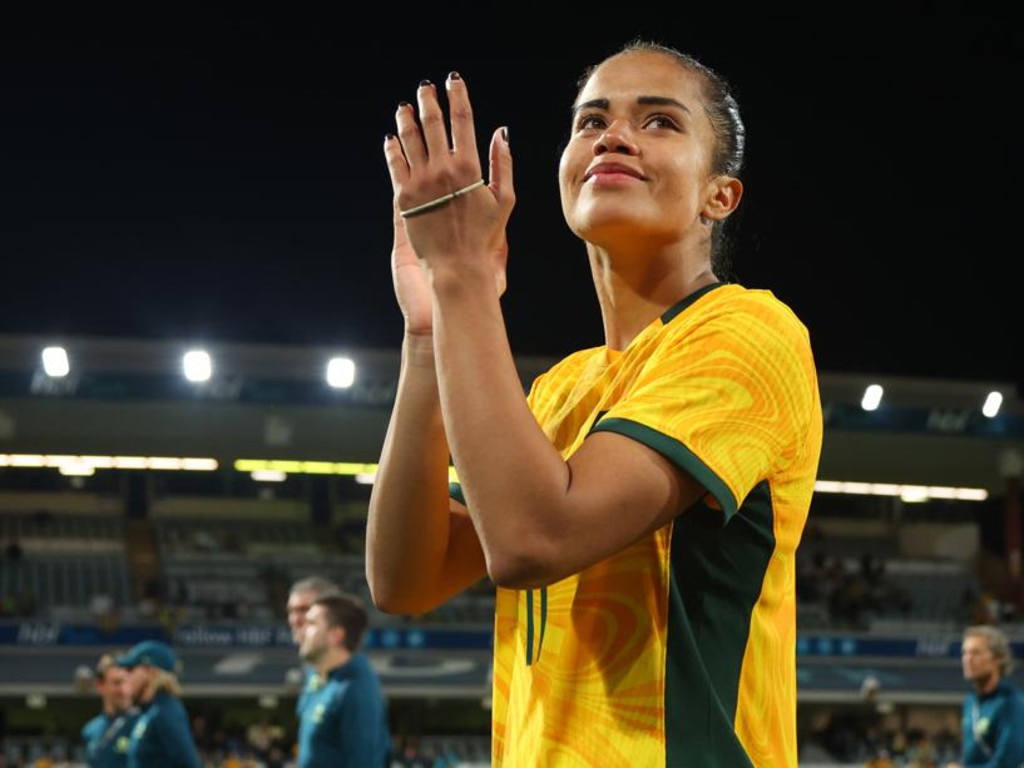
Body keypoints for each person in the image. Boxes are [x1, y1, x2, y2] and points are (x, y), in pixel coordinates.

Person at [366, 38, 823, 767]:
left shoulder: (749, 334)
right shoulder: (561, 388)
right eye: (591, 121)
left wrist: (461, 280)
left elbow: (532, 540)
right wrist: (429, 330)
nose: (613, 135)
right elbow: (403, 579)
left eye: (661, 122)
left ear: (720, 194)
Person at [294, 591, 392, 767]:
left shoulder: (357, 689)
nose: (301, 629)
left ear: (336, 635)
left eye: (311, 623)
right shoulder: (316, 678)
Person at [114, 639, 202, 768]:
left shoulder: (166, 712)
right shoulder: (149, 712)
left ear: (151, 671)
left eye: (131, 669)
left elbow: (189, 763)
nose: (127, 676)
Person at [948, 624, 1024, 768]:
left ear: (998, 658)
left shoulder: (1012, 703)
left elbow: (1008, 765)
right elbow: (971, 756)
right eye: (965, 653)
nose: (967, 659)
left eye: (976, 653)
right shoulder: (970, 702)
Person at [286, 575, 343, 720]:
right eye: (291, 611)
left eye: (305, 610)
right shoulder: (313, 671)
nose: (294, 620)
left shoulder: (352, 682)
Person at [80, 651, 137, 768]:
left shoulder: (144, 723)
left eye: (128, 682)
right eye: (117, 683)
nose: (124, 690)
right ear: (100, 686)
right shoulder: (90, 730)